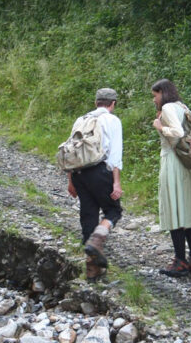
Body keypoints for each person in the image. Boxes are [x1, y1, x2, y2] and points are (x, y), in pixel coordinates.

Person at [151, 79, 191, 277]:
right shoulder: (183, 107)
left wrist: (160, 126)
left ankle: (180, 261)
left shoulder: (167, 108)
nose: (154, 100)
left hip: (174, 162)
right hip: (188, 164)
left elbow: (177, 132)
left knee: (175, 209)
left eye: (155, 95)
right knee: (188, 211)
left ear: (162, 93)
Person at [67, 88, 124, 282]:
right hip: (100, 171)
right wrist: (116, 182)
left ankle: (92, 271)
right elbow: (115, 154)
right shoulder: (112, 120)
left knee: (88, 214)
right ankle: (97, 240)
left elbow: (71, 149)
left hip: (79, 173)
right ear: (113, 104)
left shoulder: (81, 119)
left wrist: (70, 180)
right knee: (113, 211)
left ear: (96, 102)